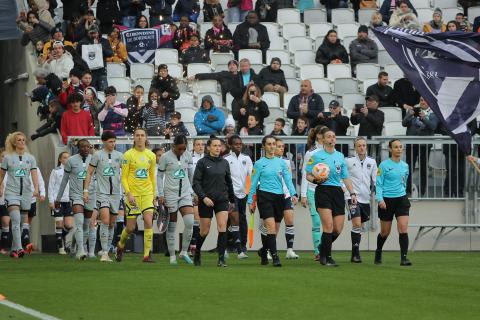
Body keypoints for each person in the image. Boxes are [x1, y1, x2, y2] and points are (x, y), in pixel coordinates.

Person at [306, 130, 357, 267]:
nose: (332, 139)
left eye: (334, 136)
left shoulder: (340, 156)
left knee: (337, 229)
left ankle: (322, 249)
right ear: (322, 139)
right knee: (328, 226)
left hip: (337, 192)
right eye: (329, 136)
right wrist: (316, 181)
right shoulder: (316, 156)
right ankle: (327, 257)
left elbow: (345, 177)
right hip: (323, 190)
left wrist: (352, 193)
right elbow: (308, 175)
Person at [248, 135, 298, 267]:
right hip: (264, 197)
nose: (272, 146)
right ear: (264, 146)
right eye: (269, 144)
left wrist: (293, 194)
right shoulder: (259, 163)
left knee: (274, 228)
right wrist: (250, 201)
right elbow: (253, 184)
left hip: (279, 197)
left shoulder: (282, 163)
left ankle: (264, 251)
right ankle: (275, 257)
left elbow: (288, 180)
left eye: (273, 144)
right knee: (270, 226)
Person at [192, 136, 235, 267]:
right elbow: (196, 183)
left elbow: (229, 182)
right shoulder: (202, 162)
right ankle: (197, 251)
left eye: (219, 146)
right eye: (215, 146)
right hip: (206, 201)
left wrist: (232, 200)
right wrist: (203, 197)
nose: (218, 148)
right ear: (209, 147)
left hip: (222, 199)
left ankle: (221, 259)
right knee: (204, 230)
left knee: (222, 227)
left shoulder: (224, 163)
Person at [116, 128, 157, 263]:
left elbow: (152, 177)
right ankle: (120, 245)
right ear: (134, 138)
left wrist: (154, 194)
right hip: (132, 195)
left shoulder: (151, 155)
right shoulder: (127, 155)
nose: (140, 137)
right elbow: (124, 178)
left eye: (142, 135)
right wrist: (128, 194)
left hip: (147, 194)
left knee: (148, 221)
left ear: (146, 138)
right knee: (130, 228)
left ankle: (146, 255)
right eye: (137, 135)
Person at [83, 132, 123, 262]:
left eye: (114, 141)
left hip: (116, 194)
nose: (113, 144)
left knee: (112, 223)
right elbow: (89, 173)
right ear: (104, 142)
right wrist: (86, 190)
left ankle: (107, 249)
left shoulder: (120, 156)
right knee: (105, 221)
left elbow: (127, 173)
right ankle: (104, 252)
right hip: (102, 193)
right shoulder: (97, 155)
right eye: (110, 141)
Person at [55, 139, 96, 260]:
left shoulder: (94, 159)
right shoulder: (71, 161)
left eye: (88, 147)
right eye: (83, 147)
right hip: (76, 195)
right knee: (78, 222)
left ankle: (73, 244)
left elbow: (98, 178)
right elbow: (64, 181)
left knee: (86, 225)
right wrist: (58, 198)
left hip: (90, 195)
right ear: (78, 148)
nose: (86, 149)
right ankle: (81, 251)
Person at [0, 133, 39, 258]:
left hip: (26, 193)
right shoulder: (7, 158)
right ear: (14, 143)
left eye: (23, 140)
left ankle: (13, 249)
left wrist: (36, 188)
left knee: (22, 222)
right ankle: (19, 248)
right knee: (15, 220)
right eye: (19, 140)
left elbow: (34, 174)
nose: (22, 142)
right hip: (12, 193)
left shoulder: (31, 158)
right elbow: (1, 175)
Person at [157, 135, 195, 265]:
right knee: (172, 226)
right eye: (179, 149)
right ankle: (172, 256)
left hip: (184, 193)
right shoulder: (165, 157)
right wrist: (160, 194)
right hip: (170, 194)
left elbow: (190, 175)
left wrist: (193, 192)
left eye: (184, 149)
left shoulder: (188, 156)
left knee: (190, 222)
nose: (182, 151)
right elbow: (159, 176)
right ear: (174, 146)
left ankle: (184, 252)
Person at [375, 139, 412, 266]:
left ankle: (404, 258)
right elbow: (378, 184)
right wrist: (380, 199)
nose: (399, 149)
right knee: (385, 232)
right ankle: (378, 251)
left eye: (400, 147)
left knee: (403, 228)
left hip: (401, 199)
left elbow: (405, 182)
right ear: (390, 149)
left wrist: (404, 194)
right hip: (386, 200)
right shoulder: (383, 165)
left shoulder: (405, 166)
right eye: (396, 147)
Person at [345, 137, 377, 263]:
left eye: (364, 145)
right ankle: (355, 254)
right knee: (357, 223)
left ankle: (355, 251)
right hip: (352, 197)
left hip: (365, 198)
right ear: (355, 147)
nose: (362, 147)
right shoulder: (348, 161)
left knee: (360, 226)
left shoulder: (372, 162)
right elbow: (343, 176)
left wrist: (379, 194)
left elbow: (375, 180)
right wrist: (345, 190)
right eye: (359, 146)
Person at [301, 126, 328, 260]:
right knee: (317, 222)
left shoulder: (331, 152)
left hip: (328, 191)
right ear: (319, 136)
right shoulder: (311, 153)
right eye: (325, 135)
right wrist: (304, 195)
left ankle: (325, 248)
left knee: (329, 224)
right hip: (313, 190)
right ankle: (318, 251)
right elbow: (305, 173)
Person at [402, 97, 438, 196]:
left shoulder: (433, 113)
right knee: (409, 167)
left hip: (425, 145)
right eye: (421, 100)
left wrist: (424, 118)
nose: (422, 102)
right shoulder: (413, 110)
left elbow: (433, 126)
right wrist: (409, 115)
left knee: (423, 168)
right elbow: (404, 123)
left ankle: (422, 190)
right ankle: (407, 190)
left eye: (425, 100)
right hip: (411, 144)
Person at [225, 135, 252, 258]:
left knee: (241, 219)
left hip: (243, 194)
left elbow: (251, 176)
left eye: (240, 144)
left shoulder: (246, 159)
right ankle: (238, 249)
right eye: (236, 144)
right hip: (231, 194)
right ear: (230, 145)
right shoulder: (226, 159)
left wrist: (250, 194)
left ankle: (242, 245)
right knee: (234, 219)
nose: (239, 146)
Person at [274, 137, 299, 259]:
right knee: (274, 225)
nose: (281, 149)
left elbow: (290, 179)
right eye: (279, 146)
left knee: (289, 220)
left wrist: (294, 194)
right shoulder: (267, 161)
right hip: (273, 196)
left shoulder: (288, 162)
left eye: (283, 147)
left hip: (286, 195)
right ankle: (268, 249)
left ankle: (289, 250)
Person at [48, 151, 73, 255]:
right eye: (65, 157)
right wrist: (51, 201)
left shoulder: (73, 170)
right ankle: (61, 247)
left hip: (69, 201)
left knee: (69, 225)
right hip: (58, 201)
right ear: (60, 159)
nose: (67, 159)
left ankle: (62, 239)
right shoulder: (56, 171)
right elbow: (51, 186)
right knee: (59, 224)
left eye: (68, 157)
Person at [77, 25, 113, 91]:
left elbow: (110, 54)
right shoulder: (82, 42)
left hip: (101, 71)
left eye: (95, 33)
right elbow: (77, 57)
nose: (93, 35)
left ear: (98, 32)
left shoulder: (104, 41)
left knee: (104, 91)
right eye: (91, 33)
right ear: (88, 33)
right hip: (88, 72)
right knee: (90, 92)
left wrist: (100, 47)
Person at [98, 86, 129, 151]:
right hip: (107, 135)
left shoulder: (122, 105)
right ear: (105, 96)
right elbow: (100, 118)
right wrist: (106, 109)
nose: (111, 97)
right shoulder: (103, 106)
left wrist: (113, 108)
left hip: (120, 134)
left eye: (113, 95)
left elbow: (125, 114)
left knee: (120, 154)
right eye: (108, 95)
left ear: (116, 95)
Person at [190, 138, 205, 254]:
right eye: (198, 144)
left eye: (202, 144)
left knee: (202, 221)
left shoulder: (207, 159)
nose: (200, 146)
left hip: (205, 194)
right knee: (195, 219)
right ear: (193, 146)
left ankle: (194, 245)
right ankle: (193, 245)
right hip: (193, 193)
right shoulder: (190, 159)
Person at [0, 148, 10, 254]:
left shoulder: (12, 168)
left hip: (7, 200)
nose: (5, 158)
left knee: (6, 223)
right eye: (3, 156)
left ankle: (4, 247)